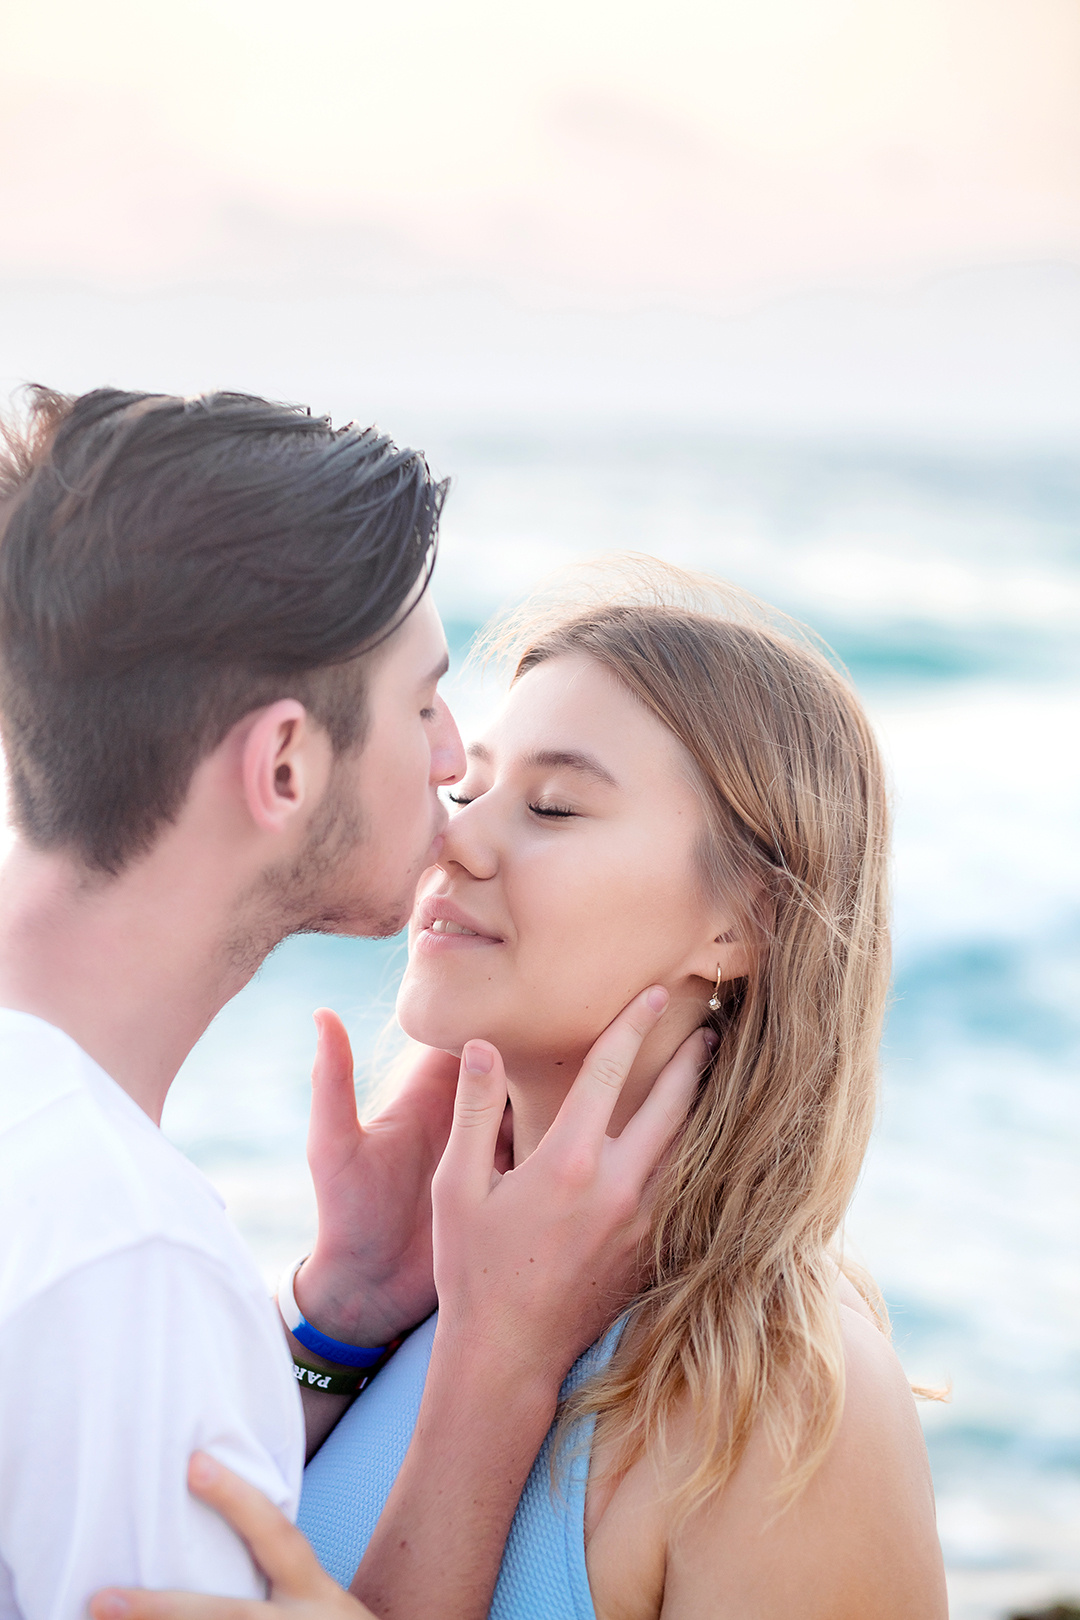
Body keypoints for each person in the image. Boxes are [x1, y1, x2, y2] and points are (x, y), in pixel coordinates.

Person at [0, 392, 705, 1620]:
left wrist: (335, 1324)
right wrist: (503, 1362)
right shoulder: (120, 1250)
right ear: (283, 766)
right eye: (423, 701)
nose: (453, 761)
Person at [139, 559, 946, 1620]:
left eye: (554, 808)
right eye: (467, 788)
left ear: (745, 921)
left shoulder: (781, 1398)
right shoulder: (426, 1300)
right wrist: (341, 1317)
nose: (454, 837)